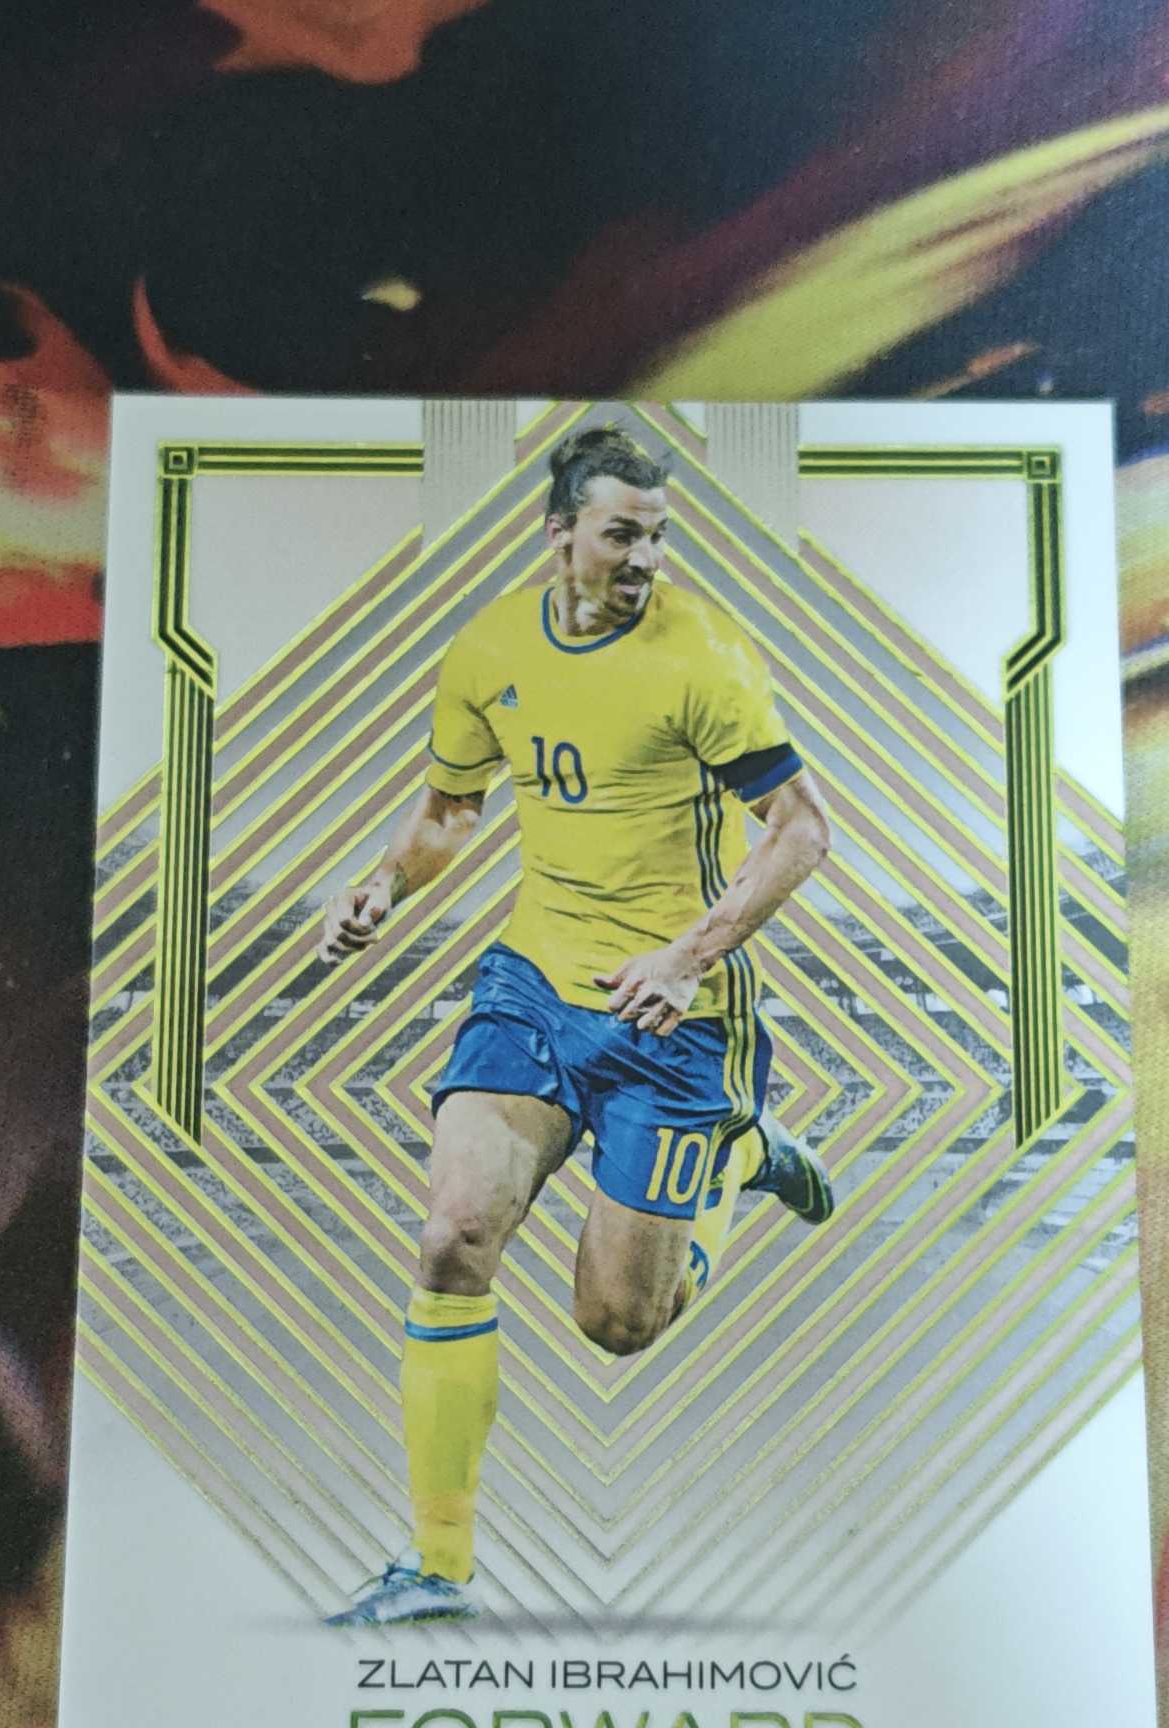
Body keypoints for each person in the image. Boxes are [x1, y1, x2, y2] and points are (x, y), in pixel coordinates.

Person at [318, 424, 833, 1626]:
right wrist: (383, 883)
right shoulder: (491, 647)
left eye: (658, 535)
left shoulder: (704, 656)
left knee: (618, 1323)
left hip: (671, 1016)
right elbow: (451, 811)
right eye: (620, 533)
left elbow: (802, 829)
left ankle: (741, 1153)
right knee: (452, 1236)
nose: (644, 556)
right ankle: (436, 1563)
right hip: (534, 988)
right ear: (559, 534)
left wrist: (689, 955)